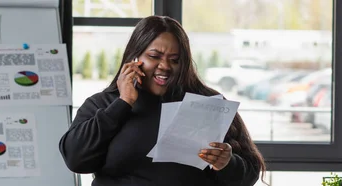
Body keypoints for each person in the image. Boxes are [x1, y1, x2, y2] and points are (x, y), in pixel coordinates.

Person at [59, 15, 266, 186]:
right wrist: (123, 103)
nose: (165, 66)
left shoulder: (208, 103)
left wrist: (227, 163)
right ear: (134, 57)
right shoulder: (103, 104)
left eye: (174, 60)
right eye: (154, 56)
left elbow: (250, 173)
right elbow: (76, 160)